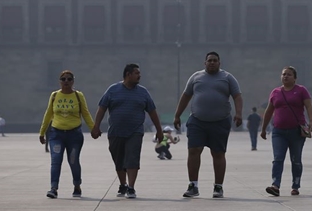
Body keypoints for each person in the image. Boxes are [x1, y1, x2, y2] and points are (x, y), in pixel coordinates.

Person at [174, 51, 243, 199]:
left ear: (219, 63)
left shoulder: (228, 78)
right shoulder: (196, 77)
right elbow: (186, 96)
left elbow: (237, 96)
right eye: (209, 60)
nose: (212, 63)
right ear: (204, 63)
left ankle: (218, 187)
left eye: (215, 60)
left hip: (220, 121)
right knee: (193, 151)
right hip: (197, 121)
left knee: (218, 153)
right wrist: (177, 115)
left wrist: (239, 113)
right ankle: (193, 185)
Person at [91, 63, 164, 199]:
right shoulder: (113, 90)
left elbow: (152, 111)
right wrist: (96, 126)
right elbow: (102, 108)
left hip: (135, 131)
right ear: (128, 74)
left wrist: (159, 131)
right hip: (115, 131)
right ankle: (122, 184)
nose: (139, 76)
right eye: (137, 73)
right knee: (118, 160)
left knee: (132, 158)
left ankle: (131, 187)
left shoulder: (143, 92)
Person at [39, 70, 95, 199]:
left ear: (73, 81)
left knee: (73, 161)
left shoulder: (78, 96)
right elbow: (48, 114)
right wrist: (42, 132)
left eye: (69, 79)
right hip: (56, 134)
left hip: (74, 135)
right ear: (59, 81)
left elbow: (85, 113)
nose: (66, 82)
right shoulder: (54, 95)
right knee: (56, 161)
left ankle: (77, 185)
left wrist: (93, 129)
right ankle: (53, 188)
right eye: (63, 79)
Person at [261, 66, 312, 197]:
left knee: (296, 160)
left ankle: (295, 185)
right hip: (278, 131)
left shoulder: (301, 90)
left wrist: (311, 121)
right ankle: (275, 185)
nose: (285, 76)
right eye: (284, 74)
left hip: (297, 131)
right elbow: (269, 111)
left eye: (289, 75)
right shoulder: (275, 92)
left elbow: (309, 106)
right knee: (278, 158)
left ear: (295, 78)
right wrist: (263, 128)